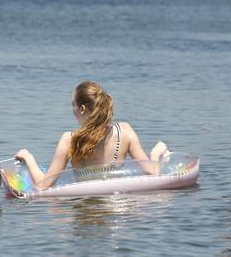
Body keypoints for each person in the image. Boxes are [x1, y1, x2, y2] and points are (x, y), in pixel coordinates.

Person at [15, 81, 168, 190]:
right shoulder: (125, 131)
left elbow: (43, 185)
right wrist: (155, 153)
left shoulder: (69, 139)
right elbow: (153, 171)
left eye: (72, 105)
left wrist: (28, 157)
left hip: (83, 207)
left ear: (81, 109)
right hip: (118, 208)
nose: (72, 109)